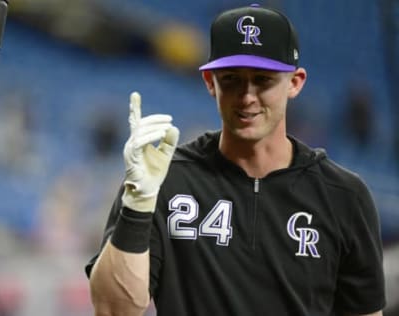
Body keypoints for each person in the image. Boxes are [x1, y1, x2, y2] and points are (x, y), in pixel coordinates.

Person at [85, 4, 386, 316]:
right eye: (231, 79)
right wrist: (138, 205)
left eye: (263, 80)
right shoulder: (163, 180)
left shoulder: (343, 196)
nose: (247, 96)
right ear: (210, 82)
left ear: (294, 83)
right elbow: (113, 309)